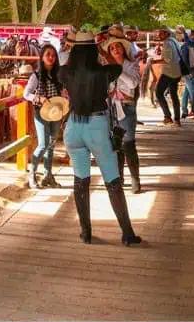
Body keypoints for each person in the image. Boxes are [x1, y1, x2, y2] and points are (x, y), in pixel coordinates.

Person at [60, 31, 141, 246]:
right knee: (112, 181)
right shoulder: (106, 72)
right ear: (94, 50)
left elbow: (64, 64)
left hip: (73, 127)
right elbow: (116, 65)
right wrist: (102, 50)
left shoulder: (65, 72)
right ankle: (127, 233)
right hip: (97, 127)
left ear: (75, 50)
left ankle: (85, 232)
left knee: (80, 180)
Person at [104, 28, 142, 194]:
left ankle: (135, 179)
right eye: (112, 48)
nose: (115, 50)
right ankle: (119, 178)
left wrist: (118, 71)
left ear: (123, 49)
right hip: (112, 106)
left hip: (126, 106)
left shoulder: (131, 65)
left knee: (129, 144)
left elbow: (133, 84)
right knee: (116, 145)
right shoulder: (107, 67)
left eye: (117, 47)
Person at [22, 44, 64, 189]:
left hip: (56, 112)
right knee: (43, 144)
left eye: (53, 55)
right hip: (41, 112)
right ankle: (32, 173)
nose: (51, 57)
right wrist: (38, 98)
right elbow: (26, 94)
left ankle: (48, 175)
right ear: (42, 57)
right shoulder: (36, 75)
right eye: (48, 55)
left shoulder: (59, 74)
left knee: (51, 144)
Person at [152, 28, 182, 126]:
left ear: (166, 33)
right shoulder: (175, 41)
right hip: (177, 72)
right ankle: (177, 119)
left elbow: (167, 60)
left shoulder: (167, 43)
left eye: (161, 33)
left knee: (159, 93)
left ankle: (167, 116)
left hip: (169, 72)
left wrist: (154, 61)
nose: (159, 35)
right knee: (174, 95)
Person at [180, 29, 194, 121]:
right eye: (193, 35)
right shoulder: (185, 47)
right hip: (188, 71)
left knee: (187, 91)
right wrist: (190, 71)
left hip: (190, 71)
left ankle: (184, 111)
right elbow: (185, 61)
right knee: (193, 91)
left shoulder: (190, 46)